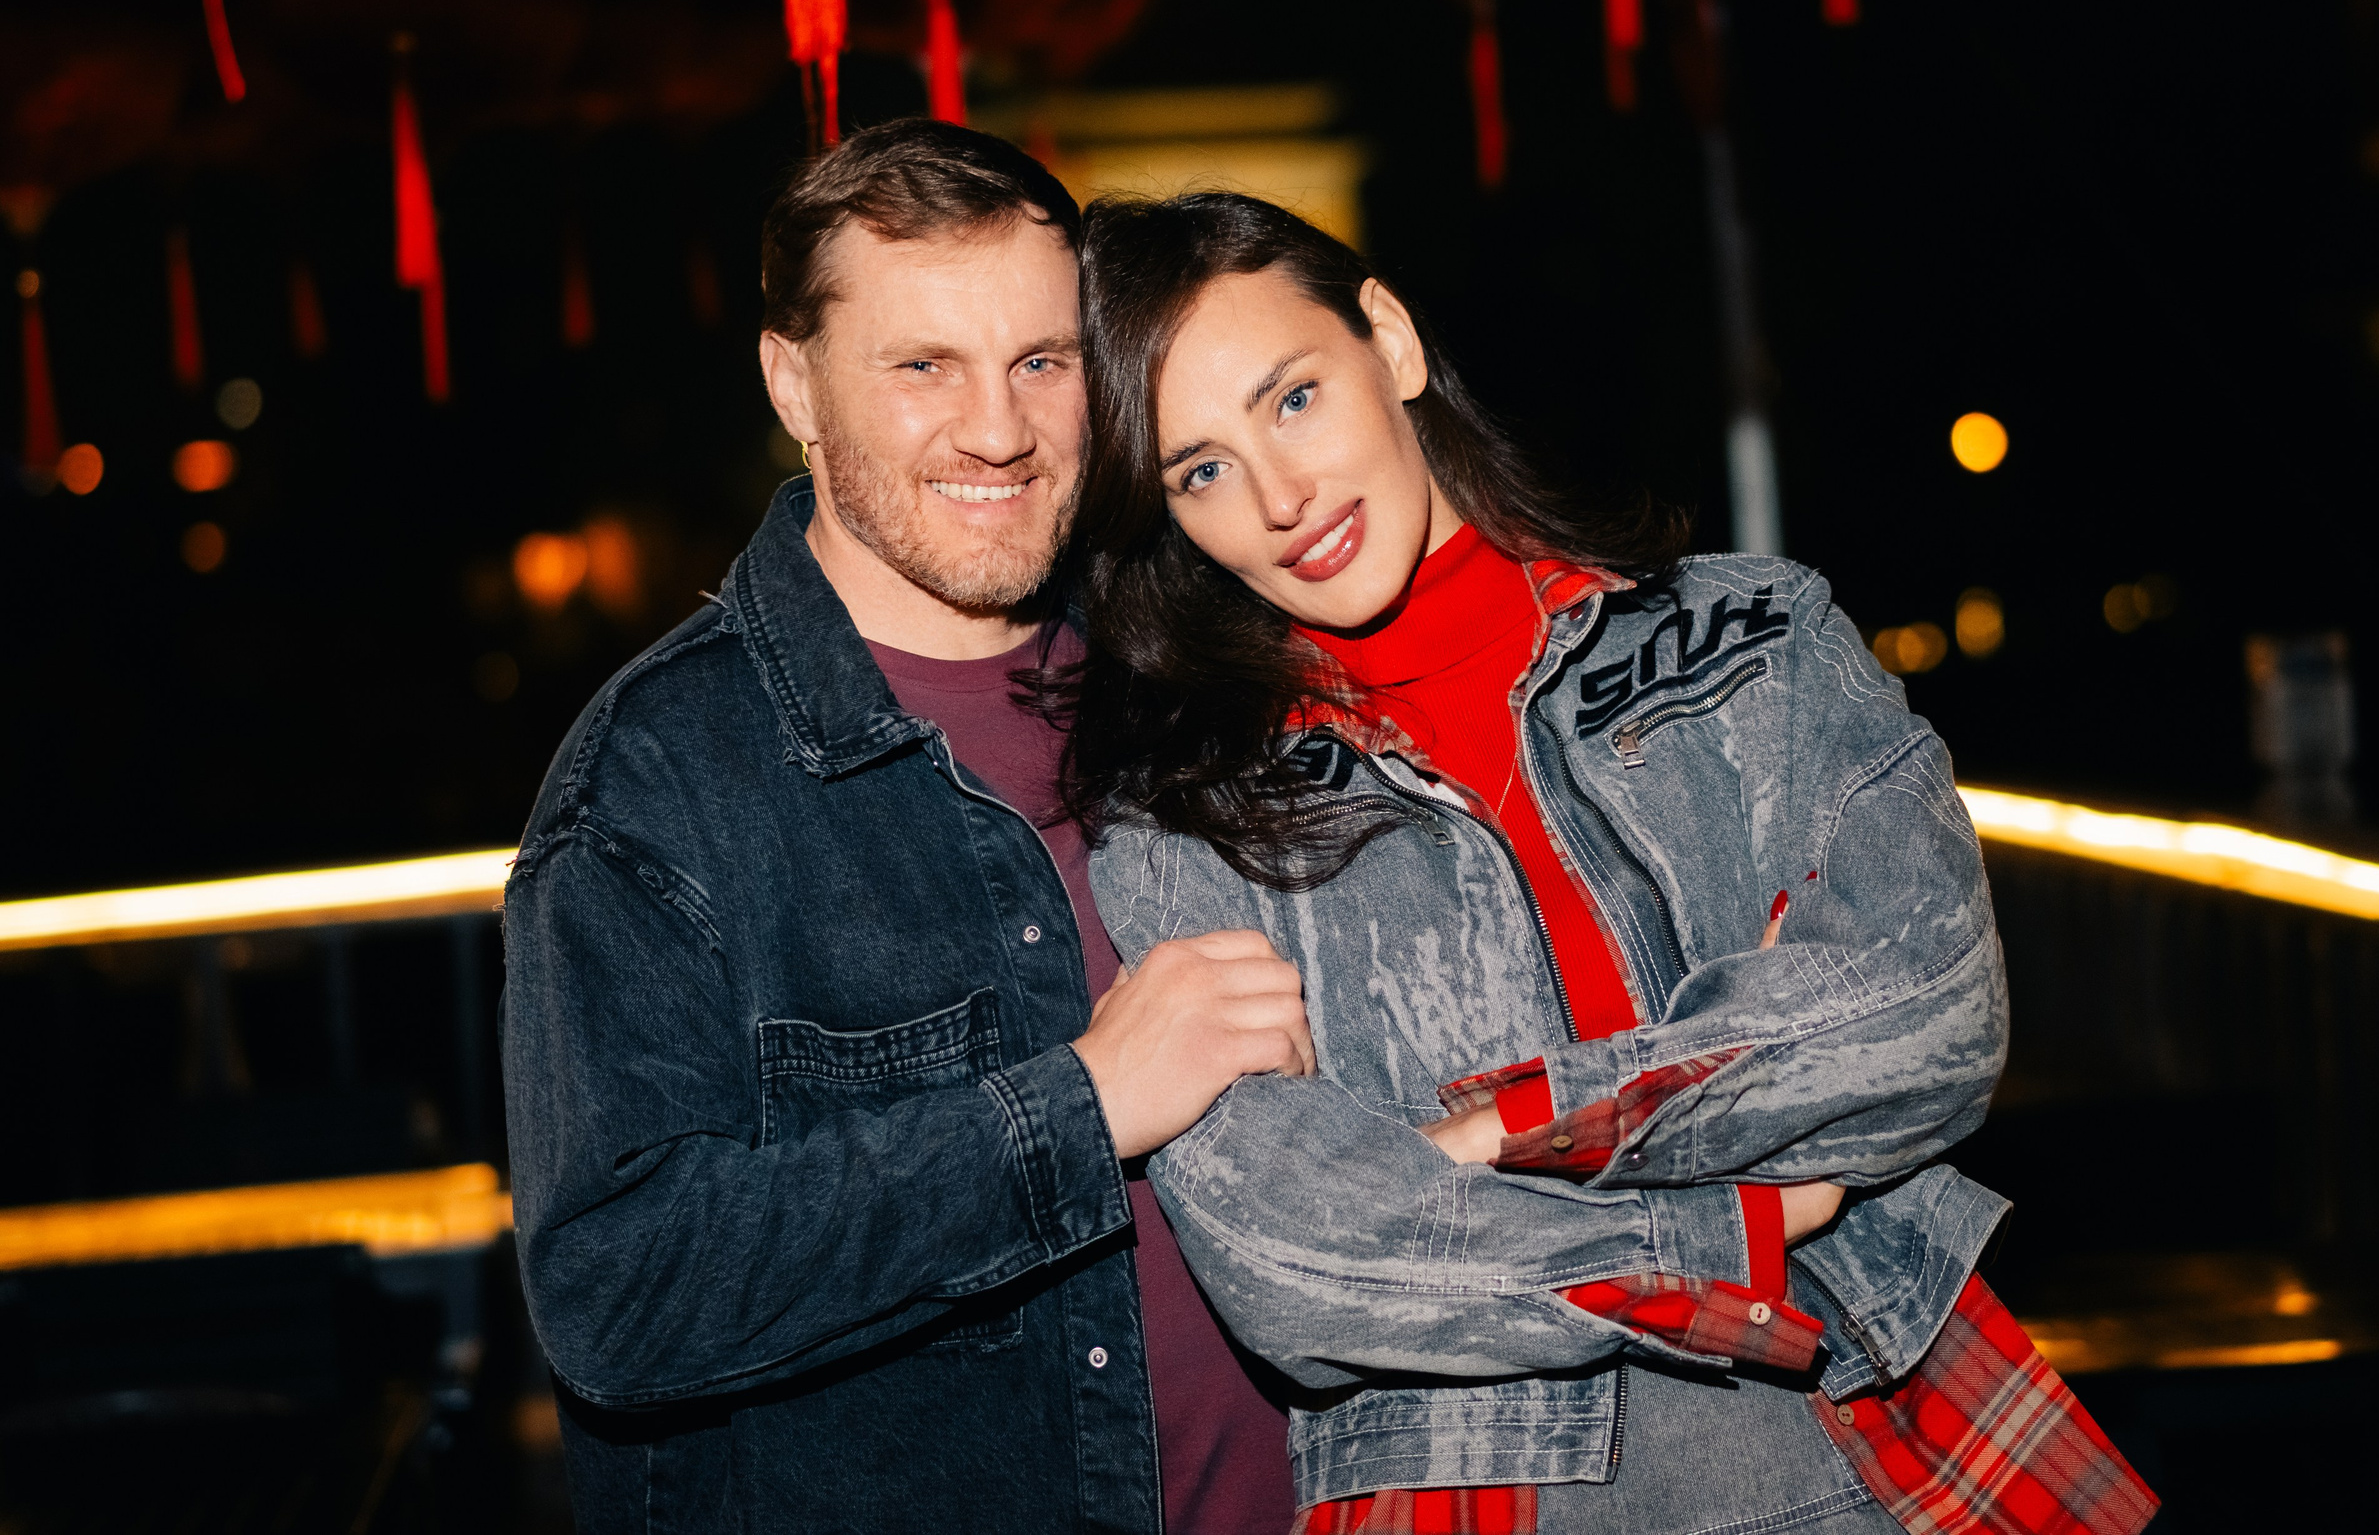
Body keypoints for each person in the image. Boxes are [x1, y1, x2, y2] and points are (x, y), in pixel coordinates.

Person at [1065, 192, 2159, 1535]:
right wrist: (1737, 1220)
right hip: (1471, 1488)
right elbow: (1305, 1263)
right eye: (1202, 471)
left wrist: (1493, 1133)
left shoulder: (1750, 639)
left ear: (1392, 343)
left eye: (1293, 399)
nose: (1280, 497)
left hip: (1867, 1436)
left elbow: (1922, 1013)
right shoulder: (1188, 823)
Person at [501, 123, 1310, 1533]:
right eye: (922, 366)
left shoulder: (1188, 675)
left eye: (1040, 364)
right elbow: (618, 1294)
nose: (996, 429)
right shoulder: (660, 787)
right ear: (793, 383)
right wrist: (1080, 1108)